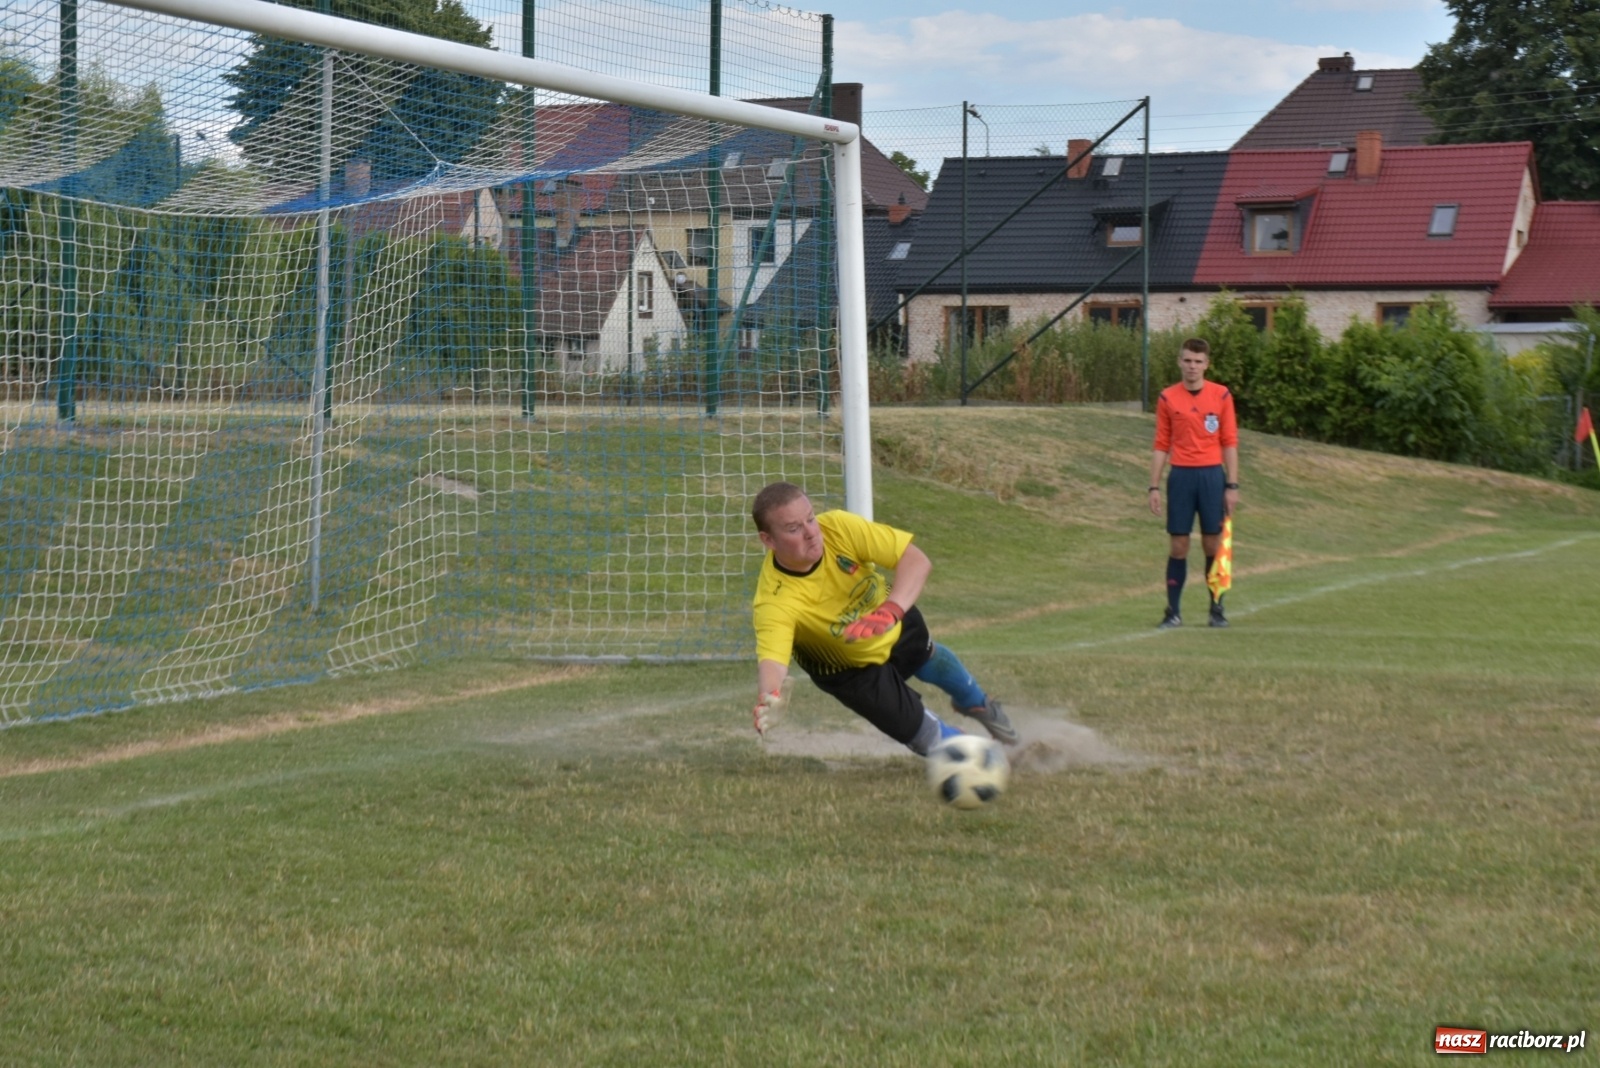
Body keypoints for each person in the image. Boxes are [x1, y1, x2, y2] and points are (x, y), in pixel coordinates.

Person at [748, 481, 1018, 756]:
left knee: (930, 658)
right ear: (768, 540)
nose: (811, 533)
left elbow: (915, 560)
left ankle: (978, 704)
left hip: (890, 617)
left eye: (810, 518)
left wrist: (891, 610)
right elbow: (773, 661)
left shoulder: (839, 527)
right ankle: (976, 756)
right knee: (929, 740)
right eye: (794, 529)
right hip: (849, 671)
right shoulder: (774, 599)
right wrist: (771, 696)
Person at [1147, 338, 1239, 629]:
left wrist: (1232, 486)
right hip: (1182, 477)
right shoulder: (1167, 398)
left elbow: (1229, 442)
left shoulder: (1221, 396)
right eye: (1187, 360)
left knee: (1213, 544)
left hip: (1212, 476)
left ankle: (1216, 609)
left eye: (1198, 362)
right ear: (1179, 362)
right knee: (1179, 545)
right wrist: (1153, 486)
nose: (1192, 366)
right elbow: (1162, 444)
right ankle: (1173, 611)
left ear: (1206, 364)